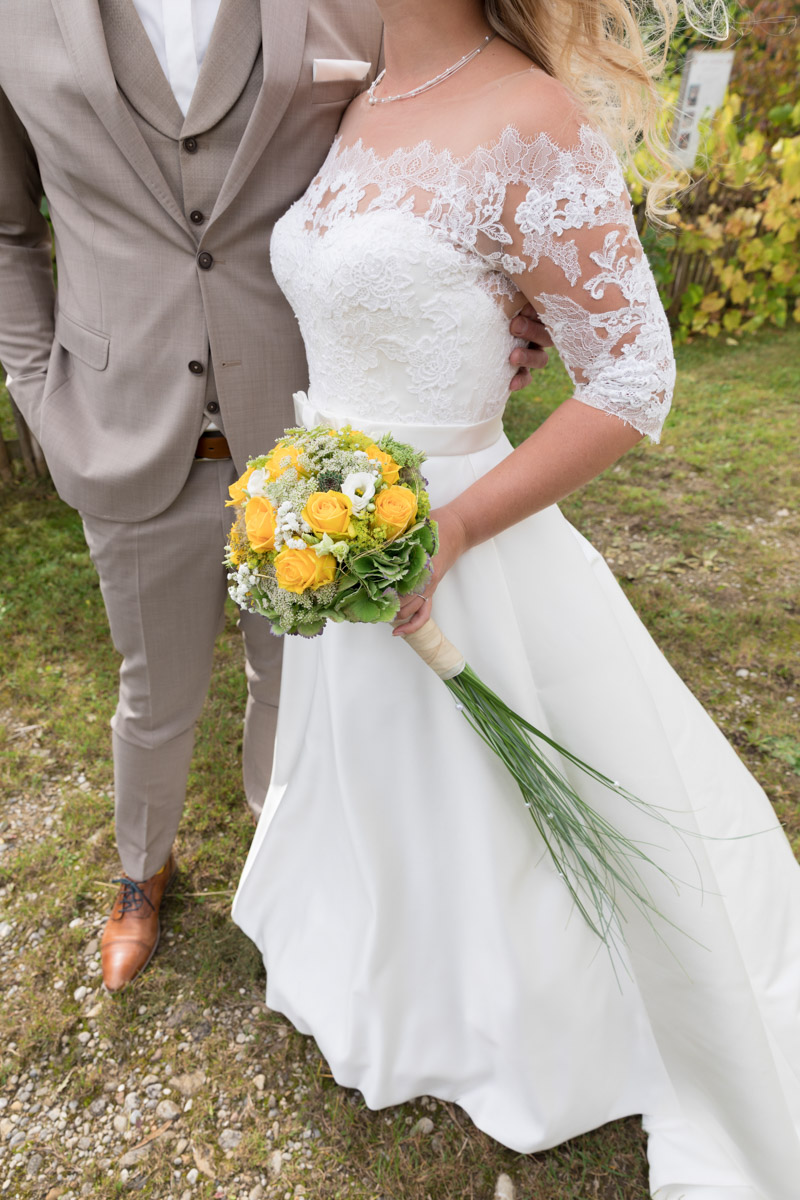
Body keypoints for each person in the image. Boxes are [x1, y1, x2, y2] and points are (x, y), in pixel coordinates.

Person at [231, 1, 800, 1196]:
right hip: (337, 531)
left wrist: (449, 527)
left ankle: (522, 1014)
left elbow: (633, 376)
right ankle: (404, 972)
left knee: (514, 804)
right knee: (391, 782)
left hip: (458, 539)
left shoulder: (528, 114)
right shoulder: (350, 98)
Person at [0, 0, 548, 993]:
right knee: (153, 688)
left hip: (308, 422)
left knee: (294, 678)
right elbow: (7, 232)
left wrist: (494, 296)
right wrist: (40, 391)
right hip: (119, 420)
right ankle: (141, 870)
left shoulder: (356, 2)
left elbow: (425, 134)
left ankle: (283, 855)